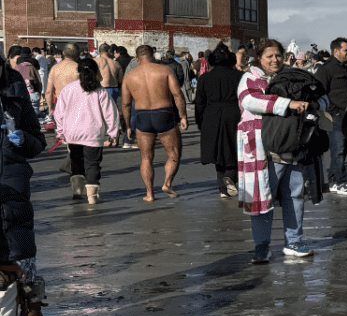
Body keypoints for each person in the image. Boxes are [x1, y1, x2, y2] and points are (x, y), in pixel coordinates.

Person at [239, 39, 314, 262]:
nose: (275, 59)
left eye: (278, 55)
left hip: (292, 144)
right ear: (259, 58)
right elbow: (251, 100)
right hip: (262, 149)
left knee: (295, 193)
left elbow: (315, 94)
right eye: (269, 56)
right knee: (263, 199)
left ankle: (294, 241)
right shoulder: (250, 78)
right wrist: (286, 103)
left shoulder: (293, 74)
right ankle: (262, 247)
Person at [0, 62, 47, 316]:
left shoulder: (15, 86)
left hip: (12, 175)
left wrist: (22, 141)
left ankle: (33, 307)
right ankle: (7, 310)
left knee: (21, 245)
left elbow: (38, 141)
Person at [121, 44, 188, 201]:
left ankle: (149, 194)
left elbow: (125, 104)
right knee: (174, 154)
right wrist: (183, 115)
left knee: (146, 158)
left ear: (137, 59)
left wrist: (128, 126)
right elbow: (177, 94)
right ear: (153, 55)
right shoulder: (164, 71)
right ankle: (167, 183)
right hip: (163, 113)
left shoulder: (130, 77)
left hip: (142, 116)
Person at [52, 56, 120, 204]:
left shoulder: (68, 90)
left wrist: (60, 133)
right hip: (93, 134)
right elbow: (111, 114)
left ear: (78, 72)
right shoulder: (100, 91)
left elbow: (59, 113)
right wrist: (113, 133)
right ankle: (92, 197)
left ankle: (77, 192)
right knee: (92, 164)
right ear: (95, 72)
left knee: (76, 163)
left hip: (72, 134)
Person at [194, 43, 244, 197]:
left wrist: (200, 121)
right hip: (235, 113)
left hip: (211, 114)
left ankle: (223, 188)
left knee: (217, 151)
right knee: (234, 148)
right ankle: (231, 176)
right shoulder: (239, 76)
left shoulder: (204, 78)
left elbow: (199, 102)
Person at [315, 36, 347, 196]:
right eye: (346, 50)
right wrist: (332, 109)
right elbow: (319, 91)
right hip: (336, 115)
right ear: (336, 52)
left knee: (342, 149)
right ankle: (342, 183)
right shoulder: (326, 69)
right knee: (338, 150)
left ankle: (333, 181)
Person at [43, 43, 81, 116]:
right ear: (78, 54)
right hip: (77, 104)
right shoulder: (79, 68)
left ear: (63, 53)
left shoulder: (55, 69)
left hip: (60, 104)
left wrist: (51, 109)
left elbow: (48, 91)